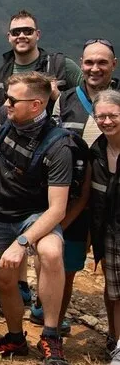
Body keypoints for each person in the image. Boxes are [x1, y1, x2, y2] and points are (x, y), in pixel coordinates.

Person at [0, 72, 74, 365]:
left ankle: (51, 335)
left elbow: (57, 210)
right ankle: (15, 337)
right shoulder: (9, 121)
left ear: (36, 105)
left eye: (12, 100)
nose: (6, 104)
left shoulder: (58, 146)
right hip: (0, 212)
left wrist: (22, 242)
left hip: (36, 215)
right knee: (5, 280)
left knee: (51, 252)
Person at [31, 39, 118, 334]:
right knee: (65, 265)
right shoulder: (64, 101)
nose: (95, 68)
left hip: (110, 200)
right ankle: (52, 323)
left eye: (102, 62)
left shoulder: (117, 101)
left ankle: (114, 337)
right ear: (81, 64)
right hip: (69, 196)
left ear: (113, 65)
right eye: (89, 62)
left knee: (112, 273)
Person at [0, 9, 82, 113]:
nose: (21, 36)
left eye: (28, 31)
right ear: (9, 37)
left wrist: (58, 96)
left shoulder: (61, 65)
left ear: (37, 34)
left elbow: (88, 99)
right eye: (16, 32)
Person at [88, 90, 120, 364]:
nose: (107, 121)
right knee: (114, 291)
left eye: (113, 115)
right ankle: (117, 342)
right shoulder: (96, 151)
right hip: (108, 231)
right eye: (101, 116)